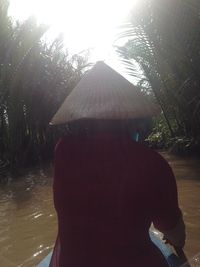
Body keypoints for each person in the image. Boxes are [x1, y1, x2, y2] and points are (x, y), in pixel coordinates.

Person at [49, 62, 185, 267]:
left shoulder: (63, 150)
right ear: (129, 115)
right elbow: (173, 231)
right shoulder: (151, 163)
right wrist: (177, 240)